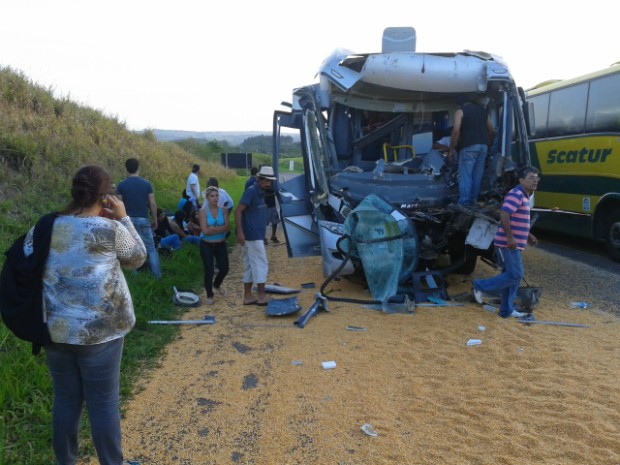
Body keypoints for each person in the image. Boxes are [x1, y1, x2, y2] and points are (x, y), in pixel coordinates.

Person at [41, 165, 146, 465]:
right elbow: (137, 257)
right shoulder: (108, 228)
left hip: (56, 330)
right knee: (102, 403)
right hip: (101, 333)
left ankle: (66, 462)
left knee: (65, 401)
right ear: (106, 196)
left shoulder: (48, 225)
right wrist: (123, 217)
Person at [472, 167, 540, 318]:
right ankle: (479, 286)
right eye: (531, 178)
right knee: (516, 274)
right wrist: (510, 237)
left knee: (511, 277)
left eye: (536, 178)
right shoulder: (516, 194)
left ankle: (506, 310)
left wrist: (527, 235)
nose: (535, 180)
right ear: (521, 181)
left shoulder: (524, 196)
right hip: (506, 244)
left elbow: (516, 218)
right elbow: (504, 214)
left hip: (514, 244)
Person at [235, 166, 276, 305]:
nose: (269, 184)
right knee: (260, 263)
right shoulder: (251, 192)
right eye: (266, 181)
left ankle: (248, 296)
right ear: (259, 179)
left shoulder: (260, 192)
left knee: (249, 265)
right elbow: (238, 210)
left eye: (270, 181)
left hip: (254, 234)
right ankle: (262, 295)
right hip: (252, 235)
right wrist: (240, 231)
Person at [116, 158, 161, 278]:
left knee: (131, 248)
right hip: (143, 219)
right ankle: (157, 275)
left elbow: (119, 205)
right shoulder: (146, 184)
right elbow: (152, 204)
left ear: (126, 169)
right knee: (151, 248)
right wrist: (155, 219)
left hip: (127, 220)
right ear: (138, 167)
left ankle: (135, 275)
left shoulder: (121, 185)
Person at [449, 96, 495, 206]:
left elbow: (456, 131)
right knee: (477, 175)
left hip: (468, 147)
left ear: (459, 105)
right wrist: (488, 145)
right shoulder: (483, 111)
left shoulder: (460, 111)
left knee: (465, 176)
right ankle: (473, 201)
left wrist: (451, 149)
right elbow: (492, 131)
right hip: (483, 147)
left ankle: (465, 202)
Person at [198, 186, 230, 304]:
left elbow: (227, 227)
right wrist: (220, 229)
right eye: (212, 196)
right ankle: (209, 294)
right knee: (209, 270)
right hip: (207, 244)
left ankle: (216, 284)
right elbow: (205, 231)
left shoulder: (224, 210)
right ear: (207, 198)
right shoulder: (202, 211)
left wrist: (214, 228)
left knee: (225, 268)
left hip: (220, 243)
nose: (215, 198)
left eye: (216, 196)